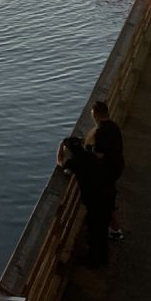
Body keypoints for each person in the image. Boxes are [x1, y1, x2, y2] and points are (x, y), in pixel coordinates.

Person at [57, 136, 112, 268]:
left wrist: (60, 146)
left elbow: (60, 162)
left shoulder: (74, 162)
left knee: (94, 230)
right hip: (106, 193)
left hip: (94, 200)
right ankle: (103, 258)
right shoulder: (90, 155)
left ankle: (93, 261)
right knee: (102, 228)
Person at [89, 100, 126, 240]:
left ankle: (116, 230)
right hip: (118, 165)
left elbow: (99, 154)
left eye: (92, 113)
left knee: (107, 201)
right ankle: (112, 227)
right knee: (108, 197)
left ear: (97, 115)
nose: (92, 116)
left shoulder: (100, 131)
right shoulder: (114, 126)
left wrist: (86, 153)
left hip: (107, 170)